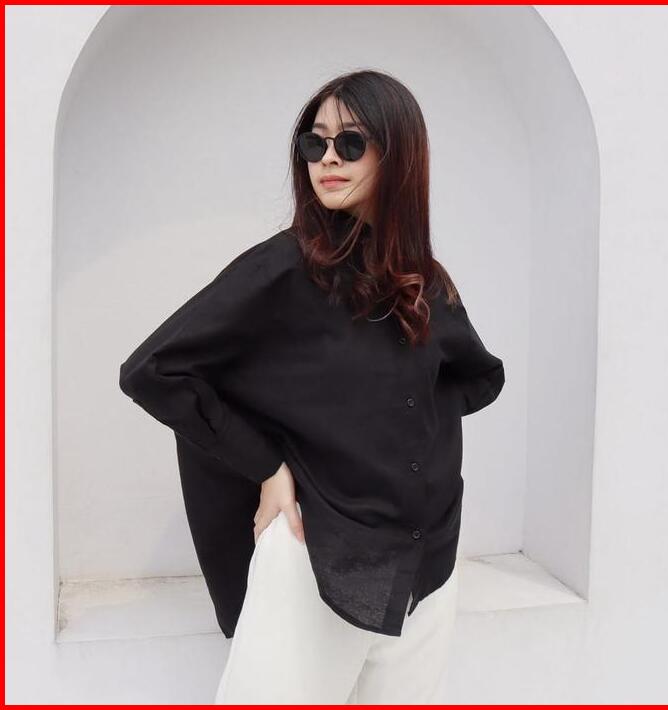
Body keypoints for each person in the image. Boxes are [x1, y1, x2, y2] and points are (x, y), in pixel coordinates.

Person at [118, 69, 505, 704]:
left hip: (425, 566)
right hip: (314, 553)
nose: (327, 158)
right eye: (314, 142)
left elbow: (472, 379)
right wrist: (268, 464)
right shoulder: (284, 267)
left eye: (350, 142)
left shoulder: (424, 283)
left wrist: (415, 464)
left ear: (398, 155)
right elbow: (154, 371)